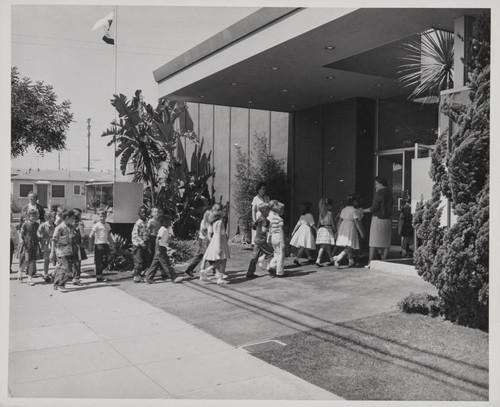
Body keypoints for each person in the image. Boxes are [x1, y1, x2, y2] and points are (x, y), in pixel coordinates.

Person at [363, 176, 394, 268]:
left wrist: (363, 211)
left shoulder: (379, 193)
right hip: (387, 219)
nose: (375, 186)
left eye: (376, 184)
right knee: (385, 242)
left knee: (373, 242)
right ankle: (384, 261)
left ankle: (370, 262)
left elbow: (374, 208)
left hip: (378, 219)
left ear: (380, 183)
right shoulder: (390, 193)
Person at [145, 215, 184, 284]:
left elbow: (165, 240)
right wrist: (158, 249)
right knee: (166, 263)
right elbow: (157, 239)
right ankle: (173, 277)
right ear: (164, 222)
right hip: (160, 248)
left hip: (162, 248)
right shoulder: (162, 229)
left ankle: (148, 278)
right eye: (168, 221)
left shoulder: (166, 229)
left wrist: (168, 246)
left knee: (155, 264)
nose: (170, 222)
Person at [333, 194, 365, 268]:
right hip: (350, 227)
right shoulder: (354, 210)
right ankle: (338, 258)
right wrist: (361, 232)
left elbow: (339, 221)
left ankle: (351, 261)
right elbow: (356, 222)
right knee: (350, 245)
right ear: (354, 202)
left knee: (349, 244)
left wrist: (338, 231)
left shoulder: (344, 209)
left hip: (343, 227)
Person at [199, 209, 231, 285]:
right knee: (223, 260)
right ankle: (219, 278)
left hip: (216, 241)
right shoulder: (220, 222)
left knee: (221, 261)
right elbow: (219, 234)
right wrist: (219, 246)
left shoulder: (214, 223)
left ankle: (209, 272)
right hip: (220, 242)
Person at [50, 209, 76, 292]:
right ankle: (60, 284)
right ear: (67, 218)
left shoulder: (71, 227)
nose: (73, 220)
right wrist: (52, 252)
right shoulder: (59, 228)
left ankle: (55, 282)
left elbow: (71, 239)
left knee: (65, 268)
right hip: (60, 251)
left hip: (69, 250)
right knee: (64, 267)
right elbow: (54, 240)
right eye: (72, 218)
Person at [246, 202, 273, 279]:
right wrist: (269, 228)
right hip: (261, 240)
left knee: (254, 257)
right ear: (264, 211)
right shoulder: (264, 220)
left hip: (257, 239)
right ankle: (271, 269)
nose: (269, 212)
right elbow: (264, 230)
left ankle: (250, 273)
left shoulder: (259, 219)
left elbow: (254, 227)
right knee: (271, 253)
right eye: (268, 210)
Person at [184, 207, 212, 277]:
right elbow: (204, 231)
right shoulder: (207, 223)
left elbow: (201, 231)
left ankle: (215, 269)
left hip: (201, 239)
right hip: (204, 241)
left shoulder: (203, 221)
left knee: (206, 255)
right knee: (203, 255)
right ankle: (189, 269)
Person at [88, 210, 112, 282]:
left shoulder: (107, 225)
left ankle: (99, 269)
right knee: (99, 261)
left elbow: (109, 236)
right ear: (98, 217)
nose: (102, 218)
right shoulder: (97, 225)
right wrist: (90, 245)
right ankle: (99, 276)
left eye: (104, 216)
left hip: (105, 244)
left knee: (109, 258)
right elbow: (90, 235)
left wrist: (112, 244)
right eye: (101, 216)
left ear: (106, 216)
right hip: (98, 244)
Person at [19, 208, 41, 286]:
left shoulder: (37, 224)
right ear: (28, 216)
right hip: (27, 244)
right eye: (32, 216)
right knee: (26, 260)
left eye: (35, 216)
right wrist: (21, 240)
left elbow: (38, 233)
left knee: (32, 261)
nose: (33, 217)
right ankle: (20, 272)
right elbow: (21, 234)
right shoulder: (25, 224)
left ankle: (29, 278)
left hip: (34, 244)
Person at [131, 206, 151, 283]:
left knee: (146, 260)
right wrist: (141, 242)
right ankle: (136, 276)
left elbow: (147, 232)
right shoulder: (138, 223)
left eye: (145, 212)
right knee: (138, 261)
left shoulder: (146, 222)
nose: (144, 214)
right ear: (139, 214)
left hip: (145, 243)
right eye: (142, 213)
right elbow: (135, 235)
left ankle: (141, 274)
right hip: (138, 245)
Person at [314, 198, 336, 267]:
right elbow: (332, 223)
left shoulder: (321, 213)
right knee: (323, 246)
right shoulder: (330, 213)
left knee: (327, 246)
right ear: (328, 205)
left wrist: (317, 230)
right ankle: (318, 260)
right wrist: (335, 230)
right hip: (327, 230)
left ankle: (331, 259)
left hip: (322, 229)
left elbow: (318, 223)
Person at [267, 200, 286, 277]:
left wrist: (269, 238)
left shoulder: (272, 219)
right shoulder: (280, 220)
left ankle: (271, 266)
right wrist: (283, 241)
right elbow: (281, 231)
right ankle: (280, 272)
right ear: (279, 210)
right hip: (278, 237)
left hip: (273, 237)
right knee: (281, 255)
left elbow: (270, 229)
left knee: (276, 253)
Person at [37, 210, 56, 282]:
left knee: (54, 259)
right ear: (48, 218)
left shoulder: (54, 225)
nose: (54, 219)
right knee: (46, 260)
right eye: (53, 217)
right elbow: (39, 233)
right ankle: (45, 274)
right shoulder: (43, 225)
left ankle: (54, 273)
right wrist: (41, 241)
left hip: (53, 244)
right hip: (46, 244)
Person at [71, 209, 87, 286]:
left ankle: (76, 278)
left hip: (77, 248)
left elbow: (81, 236)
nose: (76, 223)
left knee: (77, 263)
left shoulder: (78, 226)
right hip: (72, 248)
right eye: (74, 221)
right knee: (73, 264)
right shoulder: (70, 228)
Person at [398, 192, 413, 257]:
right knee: (409, 239)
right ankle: (409, 250)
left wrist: (400, 227)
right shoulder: (410, 208)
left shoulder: (404, 208)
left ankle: (404, 251)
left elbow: (401, 217)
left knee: (406, 239)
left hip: (406, 224)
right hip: (410, 224)